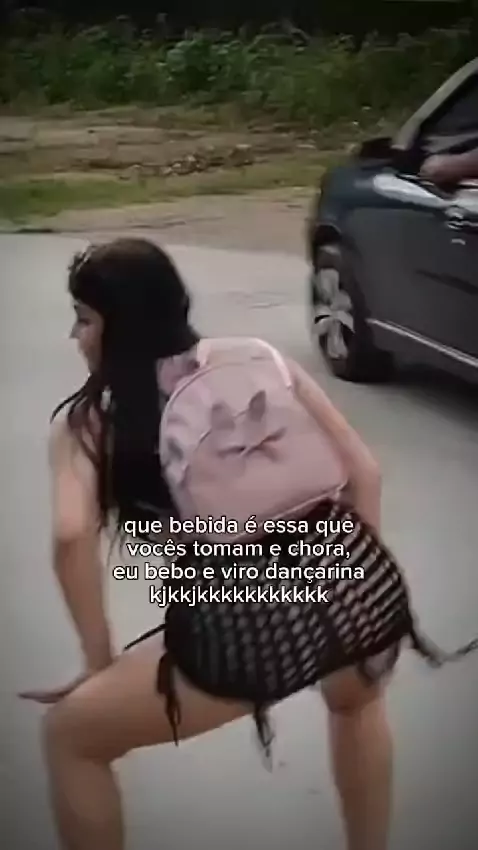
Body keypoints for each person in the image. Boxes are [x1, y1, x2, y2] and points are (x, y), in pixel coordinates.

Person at [19, 238, 476, 850]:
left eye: (84, 320)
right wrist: (352, 579)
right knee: (356, 707)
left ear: (117, 326)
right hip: (356, 578)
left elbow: (72, 534)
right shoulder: (258, 359)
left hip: (243, 623)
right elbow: (364, 474)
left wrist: (98, 662)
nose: (76, 336)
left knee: (70, 737)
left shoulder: (90, 423)